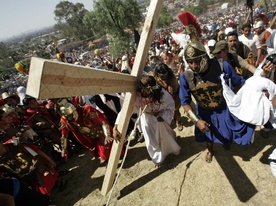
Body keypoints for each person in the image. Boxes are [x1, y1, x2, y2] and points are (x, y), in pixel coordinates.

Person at [178, 11, 256, 163]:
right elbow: (184, 102)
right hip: (204, 110)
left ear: (205, 57)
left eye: (197, 60)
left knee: (227, 133)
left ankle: (226, 141)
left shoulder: (222, 65)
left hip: (223, 106)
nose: (194, 65)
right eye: (190, 61)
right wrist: (196, 120)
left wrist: (256, 88)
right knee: (208, 135)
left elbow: (239, 82)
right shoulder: (186, 76)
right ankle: (210, 150)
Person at [113, 75, 181, 166]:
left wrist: (164, 117)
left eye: (148, 91)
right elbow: (125, 111)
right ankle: (158, 156)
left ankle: (169, 148)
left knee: (165, 136)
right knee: (151, 139)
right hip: (147, 117)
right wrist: (116, 126)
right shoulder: (136, 97)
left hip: (160, 117)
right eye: (143, 90)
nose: (145, 93)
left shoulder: (162, 94)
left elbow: (170, 106)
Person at [151, 62, 183, 131]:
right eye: (162, 76)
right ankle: (167, 125)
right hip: (162, 98)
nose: (164, 77)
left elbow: (172, 90)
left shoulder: (172, 77)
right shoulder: (155, 78)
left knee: (176, 109)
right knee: (164, 112)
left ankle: (178, 122)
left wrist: (168, 91)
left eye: (165, 75)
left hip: (174, 95)